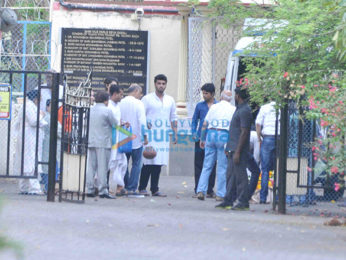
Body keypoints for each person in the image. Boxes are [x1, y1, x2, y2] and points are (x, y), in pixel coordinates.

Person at [139, 74, 177, 197]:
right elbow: (141, 115)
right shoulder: (147, 99)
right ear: (155, 84)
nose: (161, 85)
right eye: (159, 83)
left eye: (163, 83)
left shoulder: (170, 100)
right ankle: (142, 187)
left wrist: (175, 133)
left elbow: (173, 117)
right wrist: (146, 124)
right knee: (148, 161)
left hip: (163, 135)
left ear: (166, 84)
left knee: (159, 163)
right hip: (150, 135)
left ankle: (155, 189)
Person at [216, 86, 252, 210]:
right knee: (230, 176)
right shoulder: (239, 109)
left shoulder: (245, 111)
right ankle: (228, 200)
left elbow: (244, 132)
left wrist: (237, 151)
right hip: (232, 148)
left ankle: (243, 202)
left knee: (241, 177)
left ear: (238, 96)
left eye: (235, 95)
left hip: (239, 150)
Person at [195, 90, 236, 201]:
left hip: (211, 134)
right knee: (222, 167)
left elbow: (204, 124)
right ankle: (220, 194)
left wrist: (202, 138)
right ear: (230, 99)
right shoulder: (233, 109)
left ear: (221, 97)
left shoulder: (213, 107)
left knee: (207, 165)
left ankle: (200, 190)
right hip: (224, 135)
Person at [14, 89, 47, 195]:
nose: (40, 100)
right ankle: (34, 188)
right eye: (39, 98)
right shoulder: (28, 106)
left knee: (27, 160)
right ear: (35, 98)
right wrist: (41, 115)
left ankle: (24, 187)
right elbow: (34, 121)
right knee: (29, 160)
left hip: (30, 135)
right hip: (28, 136)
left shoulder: (30, 106)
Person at [86, 90, 117, 199]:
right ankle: (103, 190)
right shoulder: (107, 111)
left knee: (91, 166)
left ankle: (89, 189)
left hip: (91, 140)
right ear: (106, 100)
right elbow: (115, 123)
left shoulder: (90, 110)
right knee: (102, 167)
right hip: (103, 141)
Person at [120, 84, 148, 195]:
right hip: (136, 138)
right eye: (140, 93)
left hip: (123, 137)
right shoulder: (139, 103)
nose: (140, 96)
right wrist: (144, 136)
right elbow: (142, 122)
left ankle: (125, 185)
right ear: (136, 91)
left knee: (124, 163)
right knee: (137, 164)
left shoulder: (121, 102)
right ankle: (132, 188)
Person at [191, 83, 217, 198]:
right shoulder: (199, 106)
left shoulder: (218, 106)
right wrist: (194, 133)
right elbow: (194, 120)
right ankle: (198, 189)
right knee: (199, 164)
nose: (204, 95)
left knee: (212, 164)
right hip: (200, 139)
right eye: (203, 93)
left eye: (206, 93)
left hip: (213, 139)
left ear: (212, 94)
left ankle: (210, 189)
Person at [256, 100, 280, 204]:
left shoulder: (264, 108)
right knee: (279, 169)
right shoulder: (281, 108)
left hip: (267, 138)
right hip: (279, 138)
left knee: (265, 169)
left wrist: (259, 136)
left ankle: (263, 197)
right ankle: (278, 197)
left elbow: (258, 123)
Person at [107, 84, 128, 196]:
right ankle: (112, 188)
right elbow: (111, 122)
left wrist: (122, 123)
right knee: (111, 164)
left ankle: (118, 186)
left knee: (121, 163)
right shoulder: (109, 106)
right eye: (120, 94)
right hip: (110, 139)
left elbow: (117, 121)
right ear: (114, 94)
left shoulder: (117, 106)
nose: (122, 96)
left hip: (118, 138)